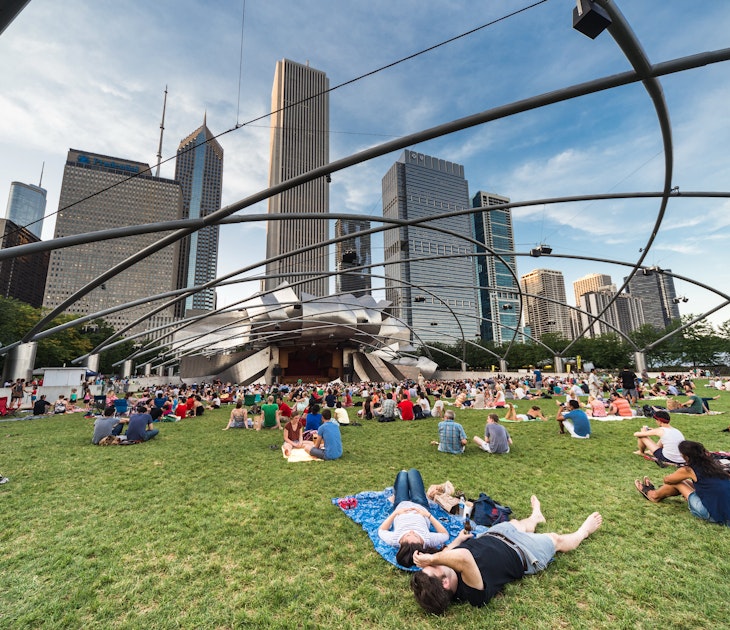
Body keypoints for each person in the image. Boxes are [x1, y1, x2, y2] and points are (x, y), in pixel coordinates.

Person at [411, 495, 603, 613]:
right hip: (525, 551)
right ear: (445, 583)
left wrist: (459, 539)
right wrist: (433, 558)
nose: (433, 562)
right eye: (433, 568)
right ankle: (584, 531)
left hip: (495, 535)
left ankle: (536, 517)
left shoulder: (446, 567)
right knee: (556, 539)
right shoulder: (471, 594)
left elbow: (450, 551)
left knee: (520, 523)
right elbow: (463, 559)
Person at [635, 441, 730, 526]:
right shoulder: (714, 465)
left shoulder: (688, 470)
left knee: (678, 483)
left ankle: (654, 495)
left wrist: (679, 473)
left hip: (711, 514)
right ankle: (659, 494)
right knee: (685, 482)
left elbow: (667, 480)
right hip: (726, 513)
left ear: (686, 457)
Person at [378, 468, 449, 567]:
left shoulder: (394, 539)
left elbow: (381, 530)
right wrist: (428, 515)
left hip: (401, 505)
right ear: (421, 543)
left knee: (402, 475)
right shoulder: (428, 540)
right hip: (420, 506)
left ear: (401, 543)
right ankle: (409, 485)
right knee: (413, 472)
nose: (411, 532)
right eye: (416, 536)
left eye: (406, 535)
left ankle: (397, 491)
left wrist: (396, 513)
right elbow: (445, 535)